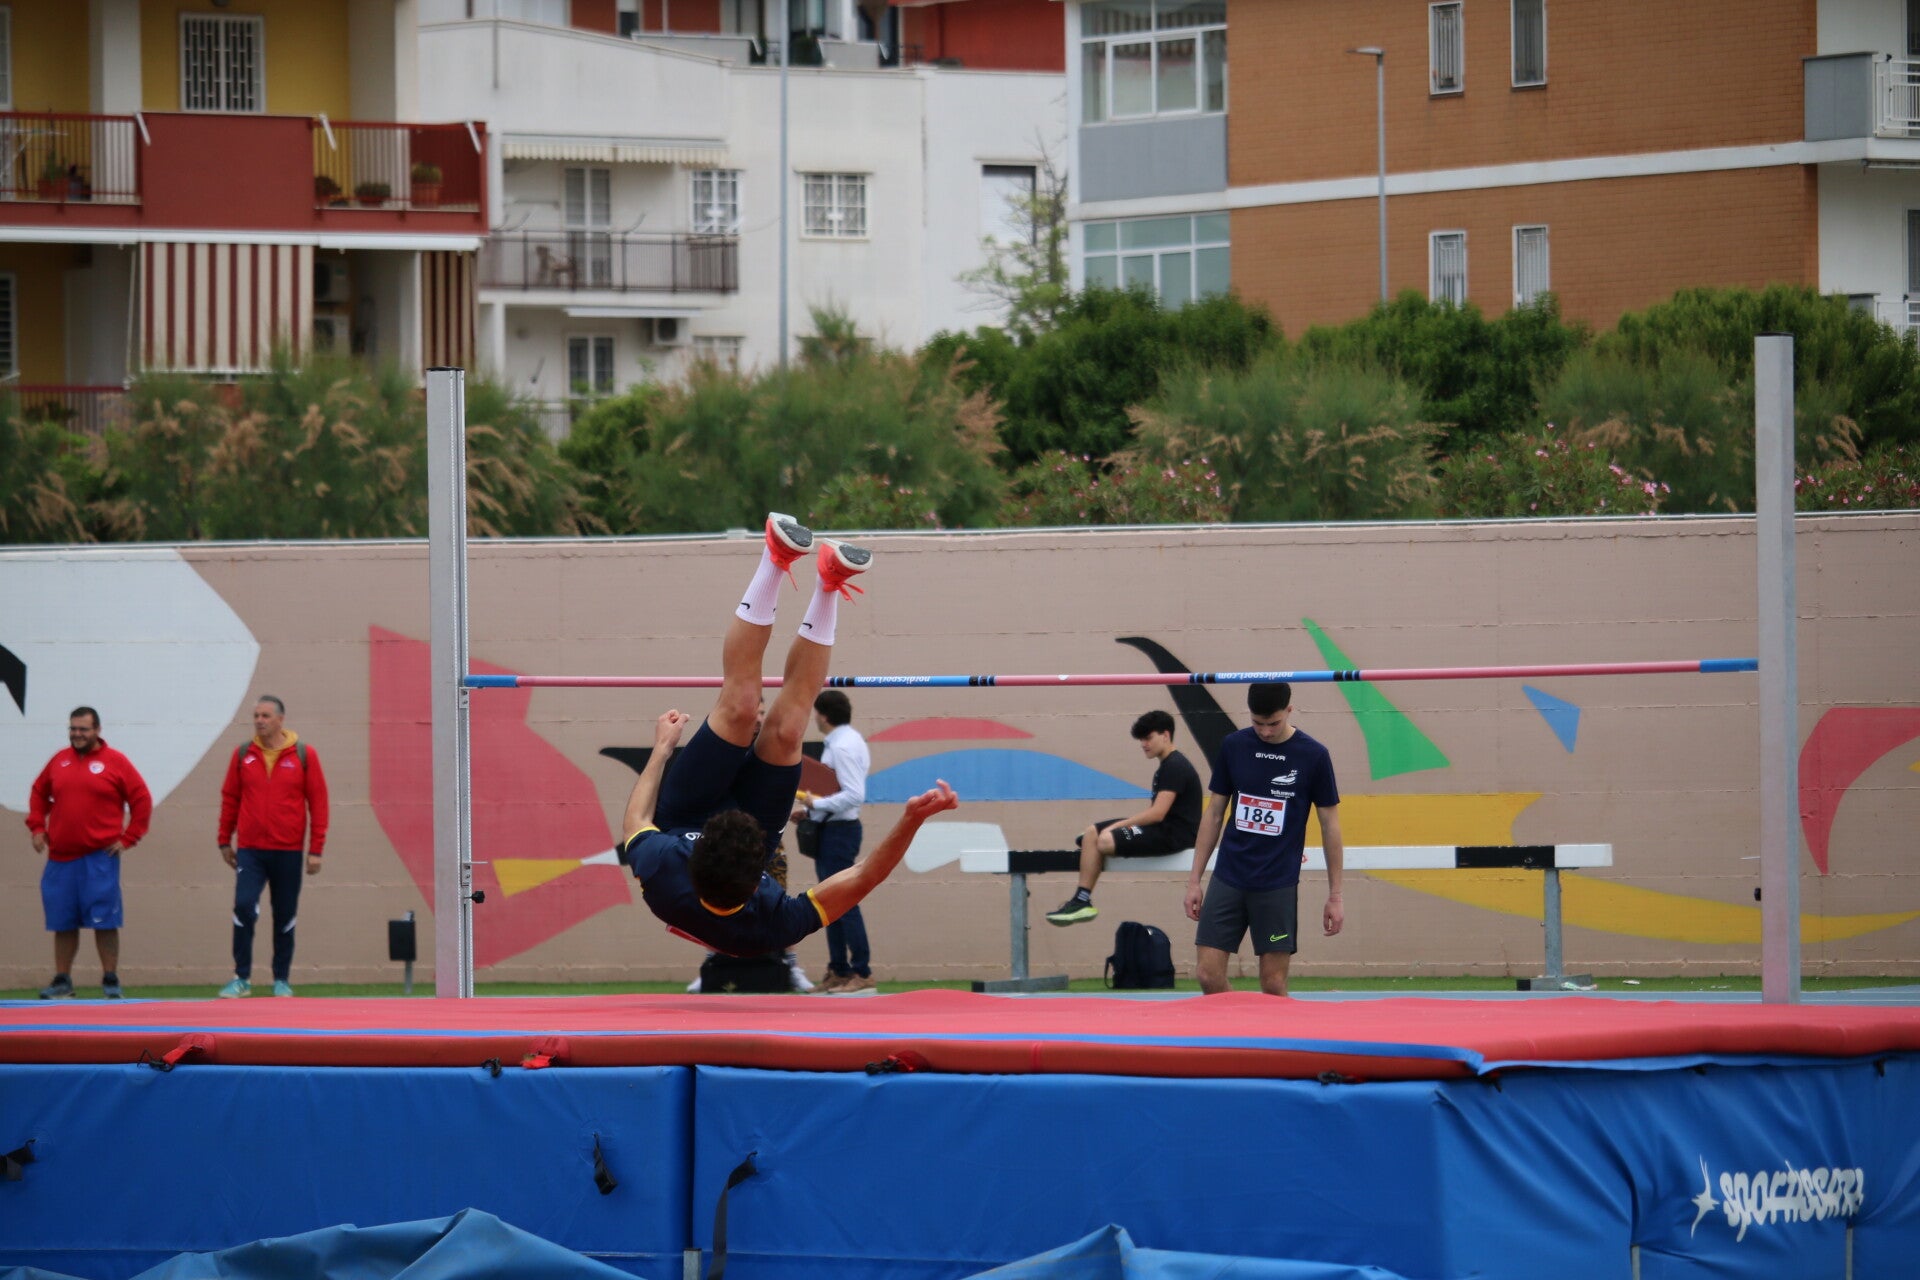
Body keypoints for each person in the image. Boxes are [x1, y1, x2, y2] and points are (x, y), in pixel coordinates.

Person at [618, 513, 957, 961]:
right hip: (751, 830)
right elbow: (864, 877)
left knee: (741, 707)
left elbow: (636, 819)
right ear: (761, 876)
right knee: (788, 730)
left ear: (693, 859)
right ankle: (829, 582)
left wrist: (662, 748)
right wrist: (911, 820)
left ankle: (775, 558)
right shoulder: (773, 922)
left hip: (685, 812)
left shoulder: (662, 868)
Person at [1184, 682, 1344, 997]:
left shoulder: (1313, 755)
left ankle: (1267, 1030)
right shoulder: (1234, 746)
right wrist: (1194, 881)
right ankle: (1237, 1026)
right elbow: (1214, 814)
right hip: (1229, 878)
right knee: (1207, 974)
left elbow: (1330, 827)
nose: (1266, 732)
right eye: (1258, 723)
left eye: (1273, 723)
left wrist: (1335, 896)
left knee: (1273, 984)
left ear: (1289, 711)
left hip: (1276, 886)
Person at [26, 707, 152, 999]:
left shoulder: (115, 762)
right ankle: (63, 981)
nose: (77, 734)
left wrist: (129, 838)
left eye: (83, 729)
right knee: (63, 921)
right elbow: (38, 792)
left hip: (99, 858)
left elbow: (141, 799)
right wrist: (37, 827)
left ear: (97, 730)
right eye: (73, 729)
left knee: (104, 920)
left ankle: (110, 980)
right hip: (61, 858)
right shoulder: (59, 760)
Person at [216, 695, 330, 998]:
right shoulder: (243, 754)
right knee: (243, 906)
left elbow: (318, 803)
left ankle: (281, 979)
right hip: (251, 850)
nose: (259, 721)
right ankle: (241, 978)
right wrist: (224, 839)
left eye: (265, 716)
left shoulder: (304, 755)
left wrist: (316, 849)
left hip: (288, 850)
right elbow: (230, 798)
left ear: (280, 719)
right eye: (256, 716)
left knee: (284, 914)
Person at [1047, 709, 1203, 926]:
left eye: (1148, 738)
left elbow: (1157, 813)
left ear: (1166, 735)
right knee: (1092, 833)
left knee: (1103, 840)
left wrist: (1119, 826)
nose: (1143, 744)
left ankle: (1097, 850)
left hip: (1175, 835)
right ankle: (1081, 900)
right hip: (1162, 829)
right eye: (1141, 740)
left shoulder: (1175, 766)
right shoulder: (1167, 765)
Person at [793, 689, 872, 992]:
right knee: (830, 902)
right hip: (834, 828)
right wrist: (811, 811)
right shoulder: (849, 741)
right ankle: (839, 969)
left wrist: (816, 804)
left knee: (843, 901)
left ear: (823, 715)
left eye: (816, 712)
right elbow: (839, 792)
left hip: (839, 833)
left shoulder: (842, 747)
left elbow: (853, 794)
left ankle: (861, 971)